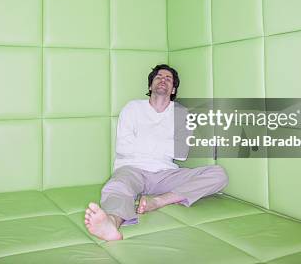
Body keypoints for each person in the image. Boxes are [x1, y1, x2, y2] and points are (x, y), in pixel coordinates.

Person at [84, 64, 228, 241]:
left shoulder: (181, 113)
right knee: (117, 186)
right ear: (150, 85)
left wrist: (141, 141)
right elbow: (123, 147)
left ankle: (158, 201)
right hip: (132, 169)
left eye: (168, 79)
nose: (163, 80)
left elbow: (181, 152)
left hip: (165, 173)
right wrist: (165, 144)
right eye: (158, 77)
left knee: (218, 174)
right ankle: (112, 223)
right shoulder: (133, 108)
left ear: (173, 89)